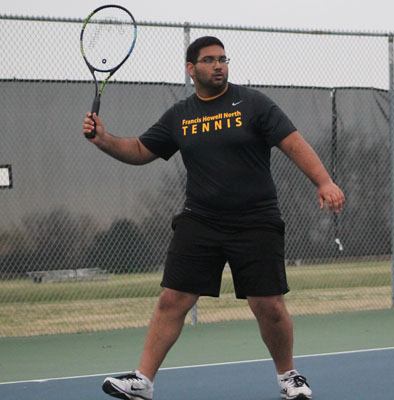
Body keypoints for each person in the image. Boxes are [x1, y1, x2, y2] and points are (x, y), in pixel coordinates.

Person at [84, 36, 345, 400]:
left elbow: (293, 143)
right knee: (172, 300)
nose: (218, 65)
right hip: (200, 220)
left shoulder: (253, 104)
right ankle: (142, 381)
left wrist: (324, 181)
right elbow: (142, 150)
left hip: (256, 220)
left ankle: (289, 377)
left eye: (223, 59)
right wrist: (104, 139)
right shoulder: (180, 115)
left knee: (267, 305)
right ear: (191, 69)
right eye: (209, 60)